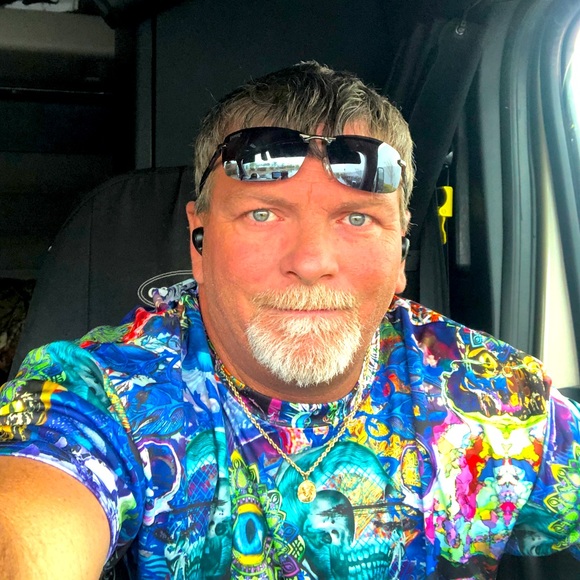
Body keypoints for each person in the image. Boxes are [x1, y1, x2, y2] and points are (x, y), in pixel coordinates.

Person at [0, 61, 579, 580]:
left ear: (401, 252)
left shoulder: (495, 399)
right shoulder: (104, 393)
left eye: (357, 219)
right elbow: (29, 520)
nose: (310, 261)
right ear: (199, 241)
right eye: (262, 214)